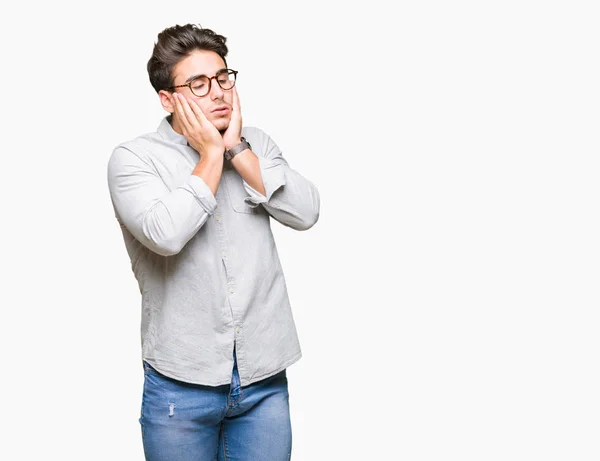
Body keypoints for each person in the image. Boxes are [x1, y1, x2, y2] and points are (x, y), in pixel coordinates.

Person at [106, 23, 320, 461]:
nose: (219, 92)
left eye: (223, 78)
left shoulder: (255, 143)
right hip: (181, 385)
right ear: (168, 99)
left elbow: (306, 212)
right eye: (198, 84)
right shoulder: (134, 159)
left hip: (263, 381)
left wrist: (237, 149)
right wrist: (209, 155)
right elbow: (165, 235)